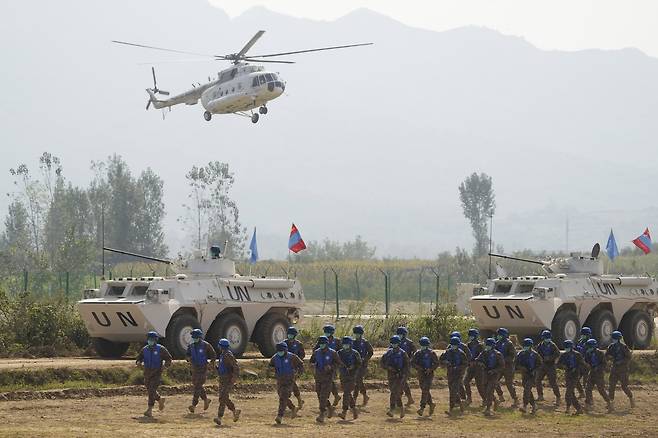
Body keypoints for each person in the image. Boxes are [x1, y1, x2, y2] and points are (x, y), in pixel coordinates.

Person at [135, 331, 172, 417]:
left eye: (152, 339)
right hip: (147, 372)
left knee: (151, 390)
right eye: (149, 339)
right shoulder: (144, 349)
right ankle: (160, 400)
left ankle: (149, 409)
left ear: (155, 340)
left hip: (157, 372)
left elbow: (168, 358)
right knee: (149, 389)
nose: (150, 341)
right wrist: (138, 362)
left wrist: (165, 366)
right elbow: (139, 358)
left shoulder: (161, 349)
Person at [310, 335, 344, 423]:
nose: (321, 345)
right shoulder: (316, 352)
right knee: (319, 395)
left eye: (323, 344)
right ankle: (329, 407)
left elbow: (339, 363)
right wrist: (312, 366)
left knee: (323, 396)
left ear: (326, 344)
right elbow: (311, 361)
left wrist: (331, 367)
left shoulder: (333, 353)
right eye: (320, 344)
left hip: (328, 378)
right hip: (318, 377)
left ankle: (322, 414)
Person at [269, 341, 305, 424]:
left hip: (289, 380)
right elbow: (270, 366)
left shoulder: (292, 357)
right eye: (278, 351)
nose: (280, 352)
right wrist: (270, 373)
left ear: (285, 350)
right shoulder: (275, 357)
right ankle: (293, 408)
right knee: (282, 396)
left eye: (281, 351)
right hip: (280, 380)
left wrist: (298, 374)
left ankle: (279, 416)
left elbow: (301, 365)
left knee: (283, 397)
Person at [185, 328, 217, 413]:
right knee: (197, 385)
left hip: (203, 368)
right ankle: (206, 400)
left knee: (198, 386)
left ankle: (193, 405)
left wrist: (212, 363)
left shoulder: (206, 345)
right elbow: (187, 355)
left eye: (195, 337)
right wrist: (188, 359)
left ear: (199, 337)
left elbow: (213, 354)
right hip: (195, 368)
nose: (194, 338)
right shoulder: (191, 346)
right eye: (193, 337)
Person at [381, 335, 411, 418]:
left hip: (400, 376)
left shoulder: (403, 353)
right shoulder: (388, 353)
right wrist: (388, 367)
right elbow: (382, 363)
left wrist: (403, 374)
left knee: (394, 392)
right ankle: (401, 409)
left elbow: (407, 365)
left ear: (398, 343)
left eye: (395, 343)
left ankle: (392, 409)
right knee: (395, 393)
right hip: (391, 375)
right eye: (393, 343)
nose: (394, 345)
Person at [214, 338, 241, 426]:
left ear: (221, 346)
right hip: (222, 379)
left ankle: (219, 417)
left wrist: (233, 378)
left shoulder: (227, 355)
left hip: (227, 380)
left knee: (222, 398)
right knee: (223, 398)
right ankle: (235, 411)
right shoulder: (223, 355)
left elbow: (236, 367)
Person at [557, 339, 588, 415]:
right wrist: (564, 367)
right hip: (568, 375)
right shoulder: (564, 355)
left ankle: (575, 408)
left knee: (569, 393)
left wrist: (576, 368)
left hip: (575, 375)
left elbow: (582, 364)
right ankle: (573, 408)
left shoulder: (577, 355)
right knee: (571, 393)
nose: (566, 348)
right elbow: (558, 364)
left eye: (567, 347)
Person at [475, 337, 504, 416]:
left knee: (489, 390)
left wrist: (494, 371)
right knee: (484, 389)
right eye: (486, 345)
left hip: (494, 375)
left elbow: (501, 366)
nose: (487, 346)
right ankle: (495, 400)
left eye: (489, 345)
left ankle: (488, 408)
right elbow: (477, 360)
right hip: (485, 374)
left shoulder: (498, 354)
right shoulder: (484, 353)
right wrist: (480, 363)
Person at [606, 330, 634, 410]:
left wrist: (621, 361)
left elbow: (628, 357)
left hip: (623, 369)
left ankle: (631, 398)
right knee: (611, 386)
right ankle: (610, 403)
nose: (612, 339)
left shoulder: (624, 347)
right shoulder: (611, 347)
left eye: (613, 338)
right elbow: (606, 355)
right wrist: (609, 358)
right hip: (614, 368)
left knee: (624, 386)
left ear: (617, 339)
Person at [439, 336, 468, 415]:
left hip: (458, 374)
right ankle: (460, 404)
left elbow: (465, 364)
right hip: (450, 374)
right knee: (452, 390)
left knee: (453, 391)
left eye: (455, 345)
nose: (453, 346)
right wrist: (445, 362)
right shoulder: (447, 352)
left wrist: (458, 367)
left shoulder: (461, 353)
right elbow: (441, 360)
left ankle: (451, 409)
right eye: (452, 344)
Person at [412, 336, 440, 416]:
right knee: (424, 389)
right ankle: (431, 404)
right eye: (422, 345)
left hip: (429, 374)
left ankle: (422, 407)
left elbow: (436, 363)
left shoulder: (432, 353)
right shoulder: (418, 353)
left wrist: (430, 369)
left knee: (425, 389)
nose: (423, 346)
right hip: (421, 374)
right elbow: (413, 362)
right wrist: (419, 368)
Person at [514, 338, 542, 414]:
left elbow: (539, 365)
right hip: (525, 374)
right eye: (525, 345)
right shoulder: (520, 354)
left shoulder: (535, 355)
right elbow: (516, 364)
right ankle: (534, 405)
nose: (525, 347)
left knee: (527, 388)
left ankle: (525, 405)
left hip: (533, 375)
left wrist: (534, 371)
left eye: (527, 346)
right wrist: (521, 368)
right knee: (527, 390)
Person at [337, 336, 362, 420]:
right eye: (344, 344)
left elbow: (359, 363)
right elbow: (335, 362)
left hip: (352, 376)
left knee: (346, 393)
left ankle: (344, 411)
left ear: (350, 344)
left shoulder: (355, 353)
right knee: (348, 394)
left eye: (347, 344)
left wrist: (353, 367)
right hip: (343, 376)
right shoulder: (339, 353)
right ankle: (354, 410)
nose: (345, 346)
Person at [315, 324, 341, 407]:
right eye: (325, 332)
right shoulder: (321, 340)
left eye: (328, 332)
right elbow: (315, 350)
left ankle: (332, 398)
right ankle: (336, 396)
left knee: (330, 380)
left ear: (332, 333)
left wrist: (334, 364)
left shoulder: (336, 341)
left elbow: (340, 352)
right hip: (322, 365)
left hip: (332, 365)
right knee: (330, 381)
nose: (326, 333)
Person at [583, 338, 612, 412]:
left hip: (599, 374)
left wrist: (598, 368)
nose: (588, 348)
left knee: (601, 390)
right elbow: (586, 362)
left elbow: (604, 364)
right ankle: (589, 403)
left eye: (590, 346)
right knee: (588, 388)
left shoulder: (600, 353)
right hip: (592, 373)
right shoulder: (588, 353)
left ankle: (609, 402)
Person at [535, 329, 561, 406]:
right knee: (537, 380)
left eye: (548, 337)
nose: (547, 339)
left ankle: (558, 397)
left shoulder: (553, 345)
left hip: (551, 366)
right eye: (546, 337)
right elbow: (537, 354)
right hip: (542, 366)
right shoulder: (540, 345)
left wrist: (550, 358)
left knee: (553, 382)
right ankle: (540, 396)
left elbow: (557, 353)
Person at [494, 327, 519, 407]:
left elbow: (512, 356)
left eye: (500, 335)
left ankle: (515, 399)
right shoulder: (497, 343)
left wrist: (503, 360)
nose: (498, 336)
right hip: (499, 366)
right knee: (494, 381)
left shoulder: (509, 343)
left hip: (508, 366)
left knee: (509, 384)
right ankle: (500, 396)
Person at [352, 325, 374, 406]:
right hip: (355, 364)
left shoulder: (365, 342)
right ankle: (364, 396)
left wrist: (366, 359)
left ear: (361, 334)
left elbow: (371, 352)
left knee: (358, 379)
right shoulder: (353, 342)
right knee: (357, 381)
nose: (357, 335)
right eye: (355, 333)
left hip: (363, 365)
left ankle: (356, 398)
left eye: (358, 333)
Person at [285, 326, 306, 409]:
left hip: (294, 367)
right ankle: (299, 400)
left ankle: (298, 400)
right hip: (285, 366)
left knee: (292, 383)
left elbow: (302, 355)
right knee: (291, 384)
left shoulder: (298, 344)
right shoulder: (284, 343)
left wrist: (298, 364)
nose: (290, 336)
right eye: (289, 334)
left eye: (291, 334)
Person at [464, 328, 485, 406]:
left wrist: (476, 361)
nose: (470, 337)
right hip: (470, 367)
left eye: (471, 336)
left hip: (478, 368)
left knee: (479, 385)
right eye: (469, 335)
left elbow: (483, 356)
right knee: (465, 381)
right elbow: (467, 354)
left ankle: (485, 399)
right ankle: (469, 398)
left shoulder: (480, 345)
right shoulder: (469, 344)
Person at [449, 331, 472, 401]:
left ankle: (461, 398)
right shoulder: (450, 346)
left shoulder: (464, 347)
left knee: (458, 382)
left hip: (461, 367)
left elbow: (469, 356)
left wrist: (464, 364)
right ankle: (459, 397)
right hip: (452, 368)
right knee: (453, 382)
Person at [397, 326, 417, 406]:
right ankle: (410, 399)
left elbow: (415, 352)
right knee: (403, 382)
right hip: (398, 365)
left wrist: (410, 359)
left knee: (402, 382)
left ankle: (398, 400)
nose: (399, 335)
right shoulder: (396, 341)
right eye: (398, 334)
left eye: (401, 334)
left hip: (406, 365)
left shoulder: (409, 343)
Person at [575, 326, 592, 398]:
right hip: (580, 364)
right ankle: (581, 393)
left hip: (587, 364)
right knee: (575, 379)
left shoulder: (591, 343)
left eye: (585, 334)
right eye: (582, 334)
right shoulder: (579, 341)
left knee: (587, 383)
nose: (583, 336)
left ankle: (589, 398)